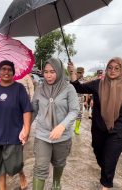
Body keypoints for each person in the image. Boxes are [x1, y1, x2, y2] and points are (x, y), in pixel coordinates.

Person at [68, 57, 122, 190]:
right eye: (110, 68)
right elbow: (78, 88)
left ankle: (105, 185)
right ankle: (107, 172)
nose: (112, 71)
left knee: (109, 159)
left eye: (117, 68)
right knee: (99, 154)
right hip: (99, 128)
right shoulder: (98, 84)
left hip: (119, 131)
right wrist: (72, 73)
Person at [0, 60, 32, 190]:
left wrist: (27, 130)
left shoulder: (19, 88)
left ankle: (21, 174)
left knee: (15, 164)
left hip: (14, 134)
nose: (6, 72)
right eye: (3, 69)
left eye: (9, 69)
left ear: (13, 72)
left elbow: (26, 110)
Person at [31, 58, 79, 190]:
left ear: (59, 71)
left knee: (59, 163)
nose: (48, 75)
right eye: (46, 72)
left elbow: (74, 110)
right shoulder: (39, 89)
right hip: (42, 135)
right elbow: (33, 111)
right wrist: (24, 128)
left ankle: (56, 183)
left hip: (62, 136)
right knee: (40, 167)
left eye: (52, 71)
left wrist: (62, 126)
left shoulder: (69, 88)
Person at [74, 67, 88, 135]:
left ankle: (76, 128)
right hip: (72, 99)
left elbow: (87, 92)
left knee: (79, 114)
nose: (79, 74)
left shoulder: (84, 80)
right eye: (78, 72)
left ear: (83, 73)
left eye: (81, 72)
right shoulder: (72, 79)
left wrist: (86, 100)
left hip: (80, 99)